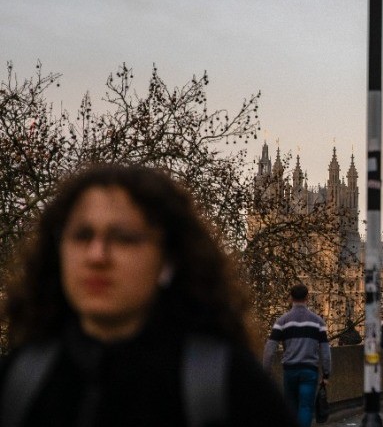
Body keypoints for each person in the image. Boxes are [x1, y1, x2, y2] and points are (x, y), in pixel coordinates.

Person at [0, 164, 294, 426]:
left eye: (124, 238)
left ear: (168, 258)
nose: (97, 255)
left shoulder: (229, 388)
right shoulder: (20, 381)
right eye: (82, 235)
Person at [263, 283, 334, 427]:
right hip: (310, 370)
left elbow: (269, 349)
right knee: (306, 407)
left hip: (290, 369)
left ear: (290, 298)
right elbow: (325, 352)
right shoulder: (318, 322)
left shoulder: (282, 321)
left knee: (291, 407)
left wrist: (266, 372)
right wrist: (326, 374)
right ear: (307, 297)